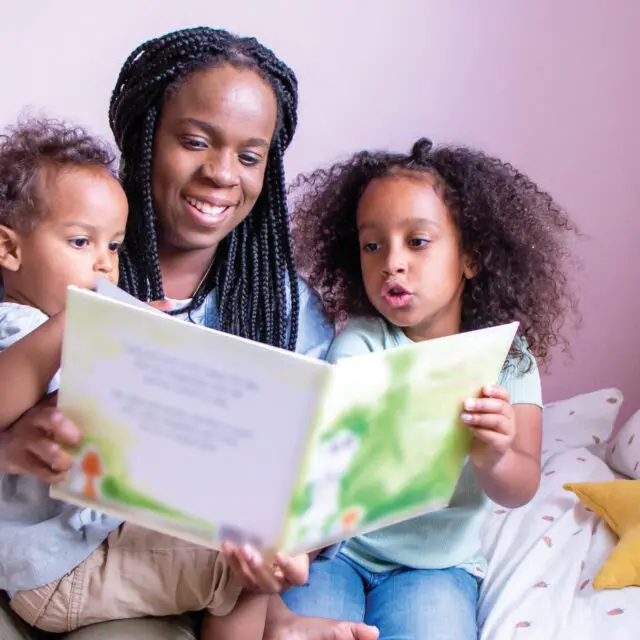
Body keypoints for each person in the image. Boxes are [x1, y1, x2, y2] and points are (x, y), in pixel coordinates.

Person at [0, 27, 379, 640]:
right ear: (146, 138)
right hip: (35, 557)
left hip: (163, 585)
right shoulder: (49, 244)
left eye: (249, 156)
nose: (222, 173)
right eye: (195, 141)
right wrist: (7, 448)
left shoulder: (280, 308)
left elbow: (317, 483)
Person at [281, 137, 578, 639]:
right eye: (372, 245)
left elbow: (520, 486)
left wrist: (494, 455)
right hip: (340, 551)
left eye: (417, 241)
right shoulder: (360, 341)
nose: (391, 262)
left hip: (437, 566)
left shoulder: (510, 362)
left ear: (471, 258)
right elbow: (328, 461)